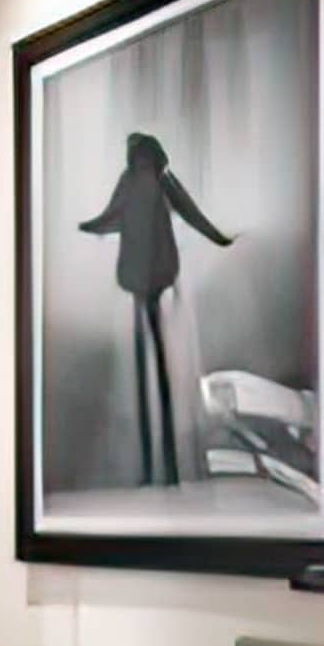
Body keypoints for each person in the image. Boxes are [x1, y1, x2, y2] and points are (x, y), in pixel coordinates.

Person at [77, 131, 233, 487]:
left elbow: (118, 217)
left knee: (155, 369)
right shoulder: (147, 181)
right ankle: (158, 468)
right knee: (153, 369)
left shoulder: (150, 182)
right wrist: (90, 225)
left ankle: (161, 468)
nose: (141, 163)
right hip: (145, 279)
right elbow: (115, 217)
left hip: (148, 278)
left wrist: (91, 226)